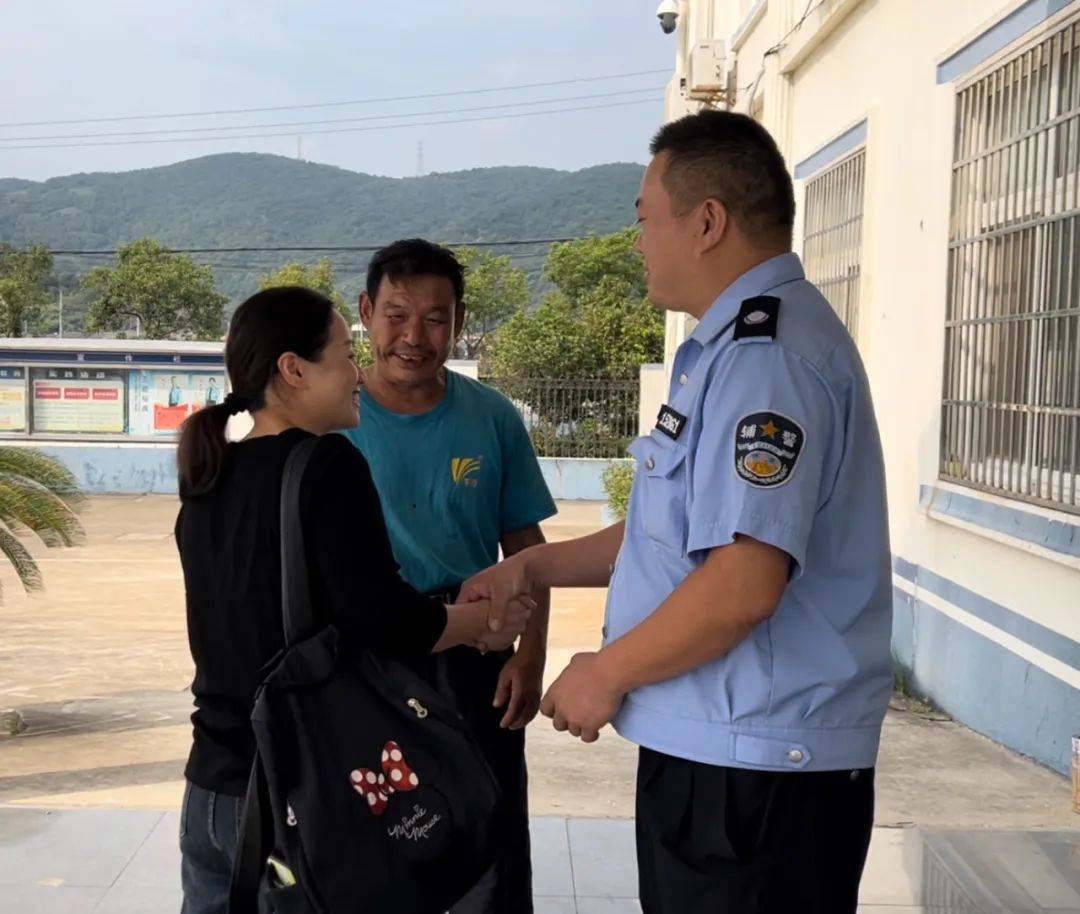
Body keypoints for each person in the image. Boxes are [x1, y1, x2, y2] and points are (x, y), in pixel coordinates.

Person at [463, 110, 893, 914]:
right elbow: (682, 533)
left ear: (706, 222)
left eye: (643, 220)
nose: (637, 243)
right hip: (730, 761)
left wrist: (606, 671)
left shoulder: (768, 363)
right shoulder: (730, 351)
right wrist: (535, 565)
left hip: (756, 779)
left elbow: (743, 583)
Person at [174, 286, 529, 914]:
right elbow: (383, 619)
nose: (357, 372)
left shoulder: (210, 476)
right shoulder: (325, 464)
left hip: (211, 786)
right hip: (296, 789)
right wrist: (482, 622)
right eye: (343, 355)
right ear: (293, 370)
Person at [343, 239, 556, 914]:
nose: (414, 336)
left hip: (474, 657)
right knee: (372, 834)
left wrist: (532, 658)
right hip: (364, 662)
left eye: (435, 318)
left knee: (484, 832)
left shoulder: (491, 418)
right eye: (397, 315)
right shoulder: (331, 417)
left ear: (459, 324)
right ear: (366, 312)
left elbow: (528, 548)